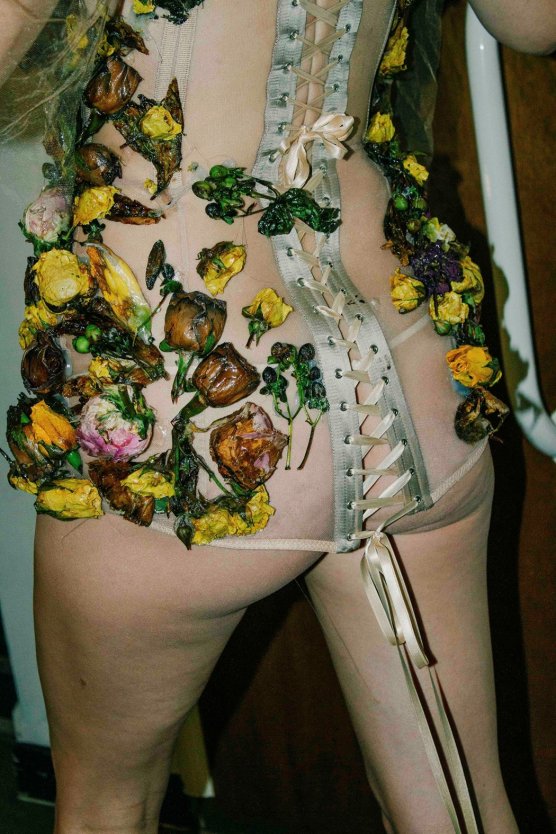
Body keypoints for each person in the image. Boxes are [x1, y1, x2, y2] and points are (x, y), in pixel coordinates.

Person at [1, 1, 554, 832]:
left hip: (180, 404)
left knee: (106, 808)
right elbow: (536, 22)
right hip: (407, 369)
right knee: (456, 810)